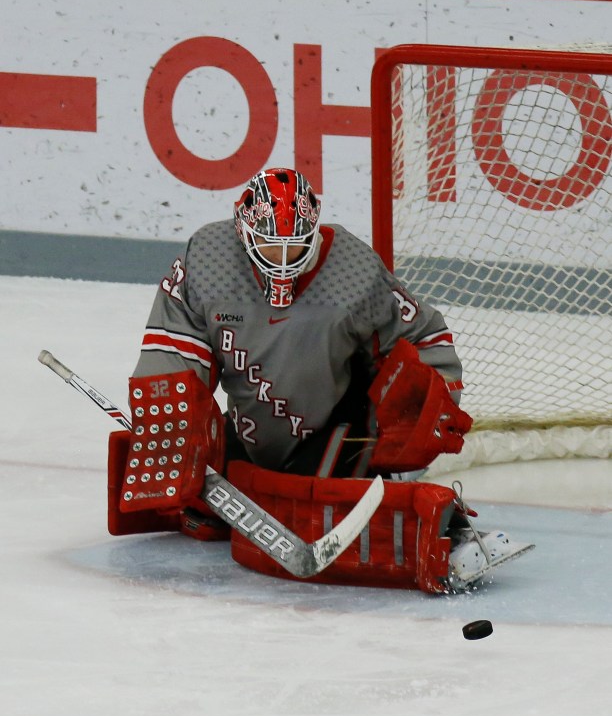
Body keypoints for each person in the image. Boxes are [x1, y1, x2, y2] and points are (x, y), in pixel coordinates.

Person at [108, 167, 525, 593]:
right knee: (210, 510)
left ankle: (448, 529)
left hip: (338, 425)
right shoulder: (208, 259)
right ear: (242, 230)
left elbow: (424, 334)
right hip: (252, 428)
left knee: (327, 507)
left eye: (296, 247)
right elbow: (172, 348)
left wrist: (432, 400)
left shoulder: (353, 270)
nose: (284, 261)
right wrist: (173, 419)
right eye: (271, 245)